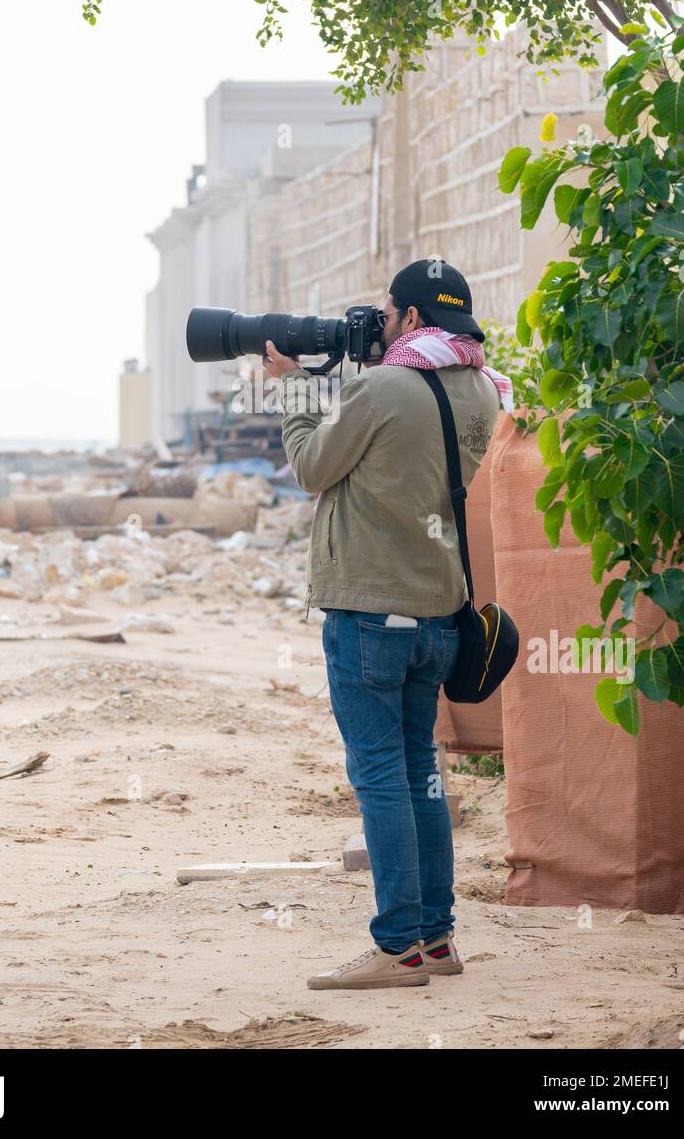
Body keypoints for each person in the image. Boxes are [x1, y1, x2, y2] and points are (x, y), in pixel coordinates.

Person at [262, 258, 512, 990]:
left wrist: (299, 386)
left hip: (370, 613)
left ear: (407, 318)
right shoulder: (480, 391)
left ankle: (398, 945)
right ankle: (436, 939)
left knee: (381, 778)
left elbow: (311, 466)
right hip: (438, 613)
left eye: (385, 311)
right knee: (419, 778)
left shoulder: (381, 388)